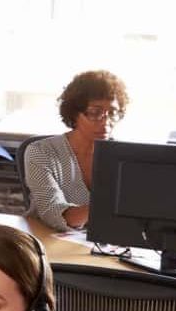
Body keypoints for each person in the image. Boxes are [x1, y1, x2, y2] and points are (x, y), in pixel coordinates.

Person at [23, 70, 128, 231]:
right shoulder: (42, 152)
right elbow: (53, 213)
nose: (105, 121)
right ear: (75, 113)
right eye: (95, 112)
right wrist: (110, 205)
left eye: (112, 113)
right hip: (47, 242)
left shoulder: (125, 158)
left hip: (101, 247)